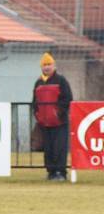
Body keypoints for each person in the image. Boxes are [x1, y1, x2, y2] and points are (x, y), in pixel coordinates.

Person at [32, 52, 72, 181]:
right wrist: (38, 115)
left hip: (60, 122)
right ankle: (51, 172)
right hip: (45, 123)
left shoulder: (61, 80)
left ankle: (61, 173)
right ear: (41, 67)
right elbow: (34, 102)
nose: (47, 67)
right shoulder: (38, 82)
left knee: (59, 148)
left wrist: (58, 112)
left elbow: (68, 98)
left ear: (54, 65)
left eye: (49, 64)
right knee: (48, 149)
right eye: (44, 65)